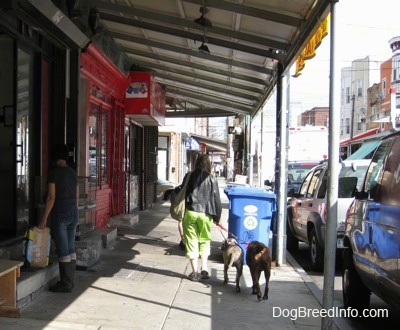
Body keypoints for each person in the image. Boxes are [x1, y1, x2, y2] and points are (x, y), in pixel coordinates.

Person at [38, 144, 79, 293]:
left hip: (60, 213)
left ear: (54, 158)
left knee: (63, 250)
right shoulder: (73, 173)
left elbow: (51, 197)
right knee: (70, 247)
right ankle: (70, 281)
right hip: (73, 212)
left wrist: (43, 218)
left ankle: (65, 283)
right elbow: (76, 197)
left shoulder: (54, 173)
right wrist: (73, 210)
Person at [183, 154, 222, 281]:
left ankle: (194, 273)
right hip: (206, 213)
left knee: (191, 241)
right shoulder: (212, 178)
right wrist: (217, 217)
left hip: (191, 211)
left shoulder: (189, 176)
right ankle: (204, 268)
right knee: (205, 240)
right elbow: (216, 199)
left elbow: (184, 193)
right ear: (208, 164)